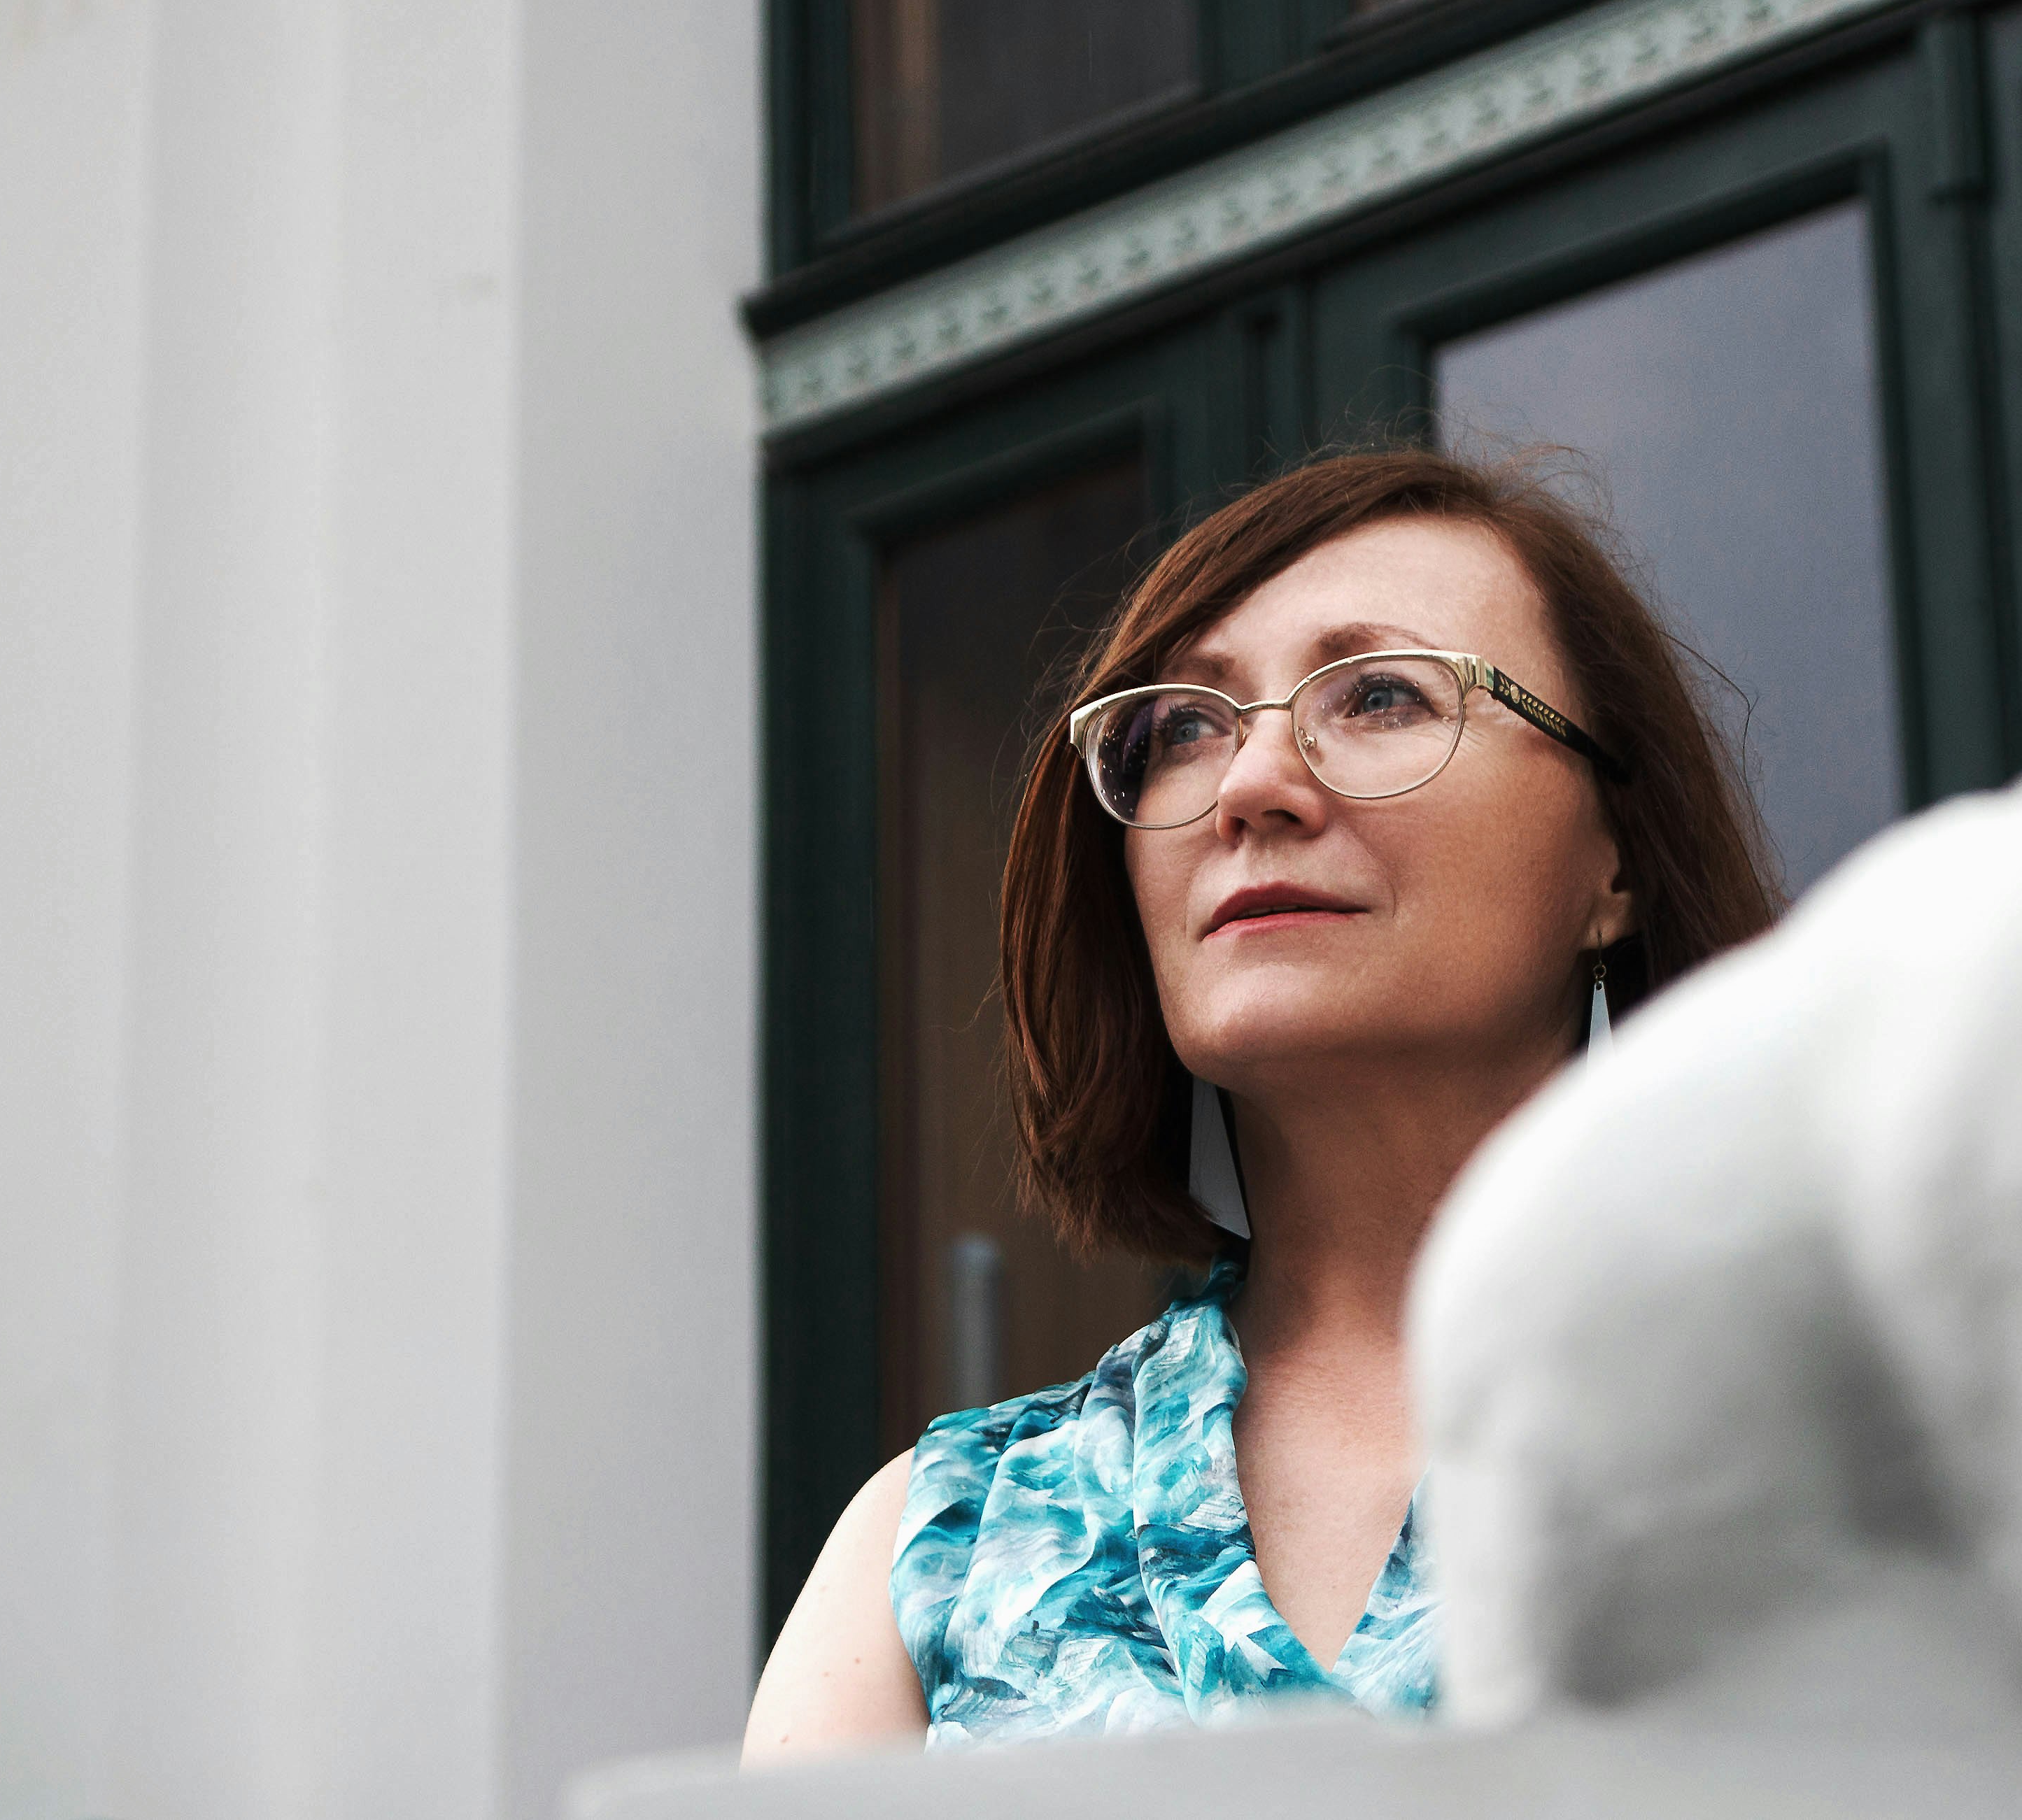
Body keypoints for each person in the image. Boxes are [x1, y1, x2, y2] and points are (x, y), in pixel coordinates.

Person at [742, 446, 1778, 1756]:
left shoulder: (1864, 1425)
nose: (1248, 787)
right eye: (1185, 728)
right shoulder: (939, 1547)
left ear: (1613, 862)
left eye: (1386, 697)